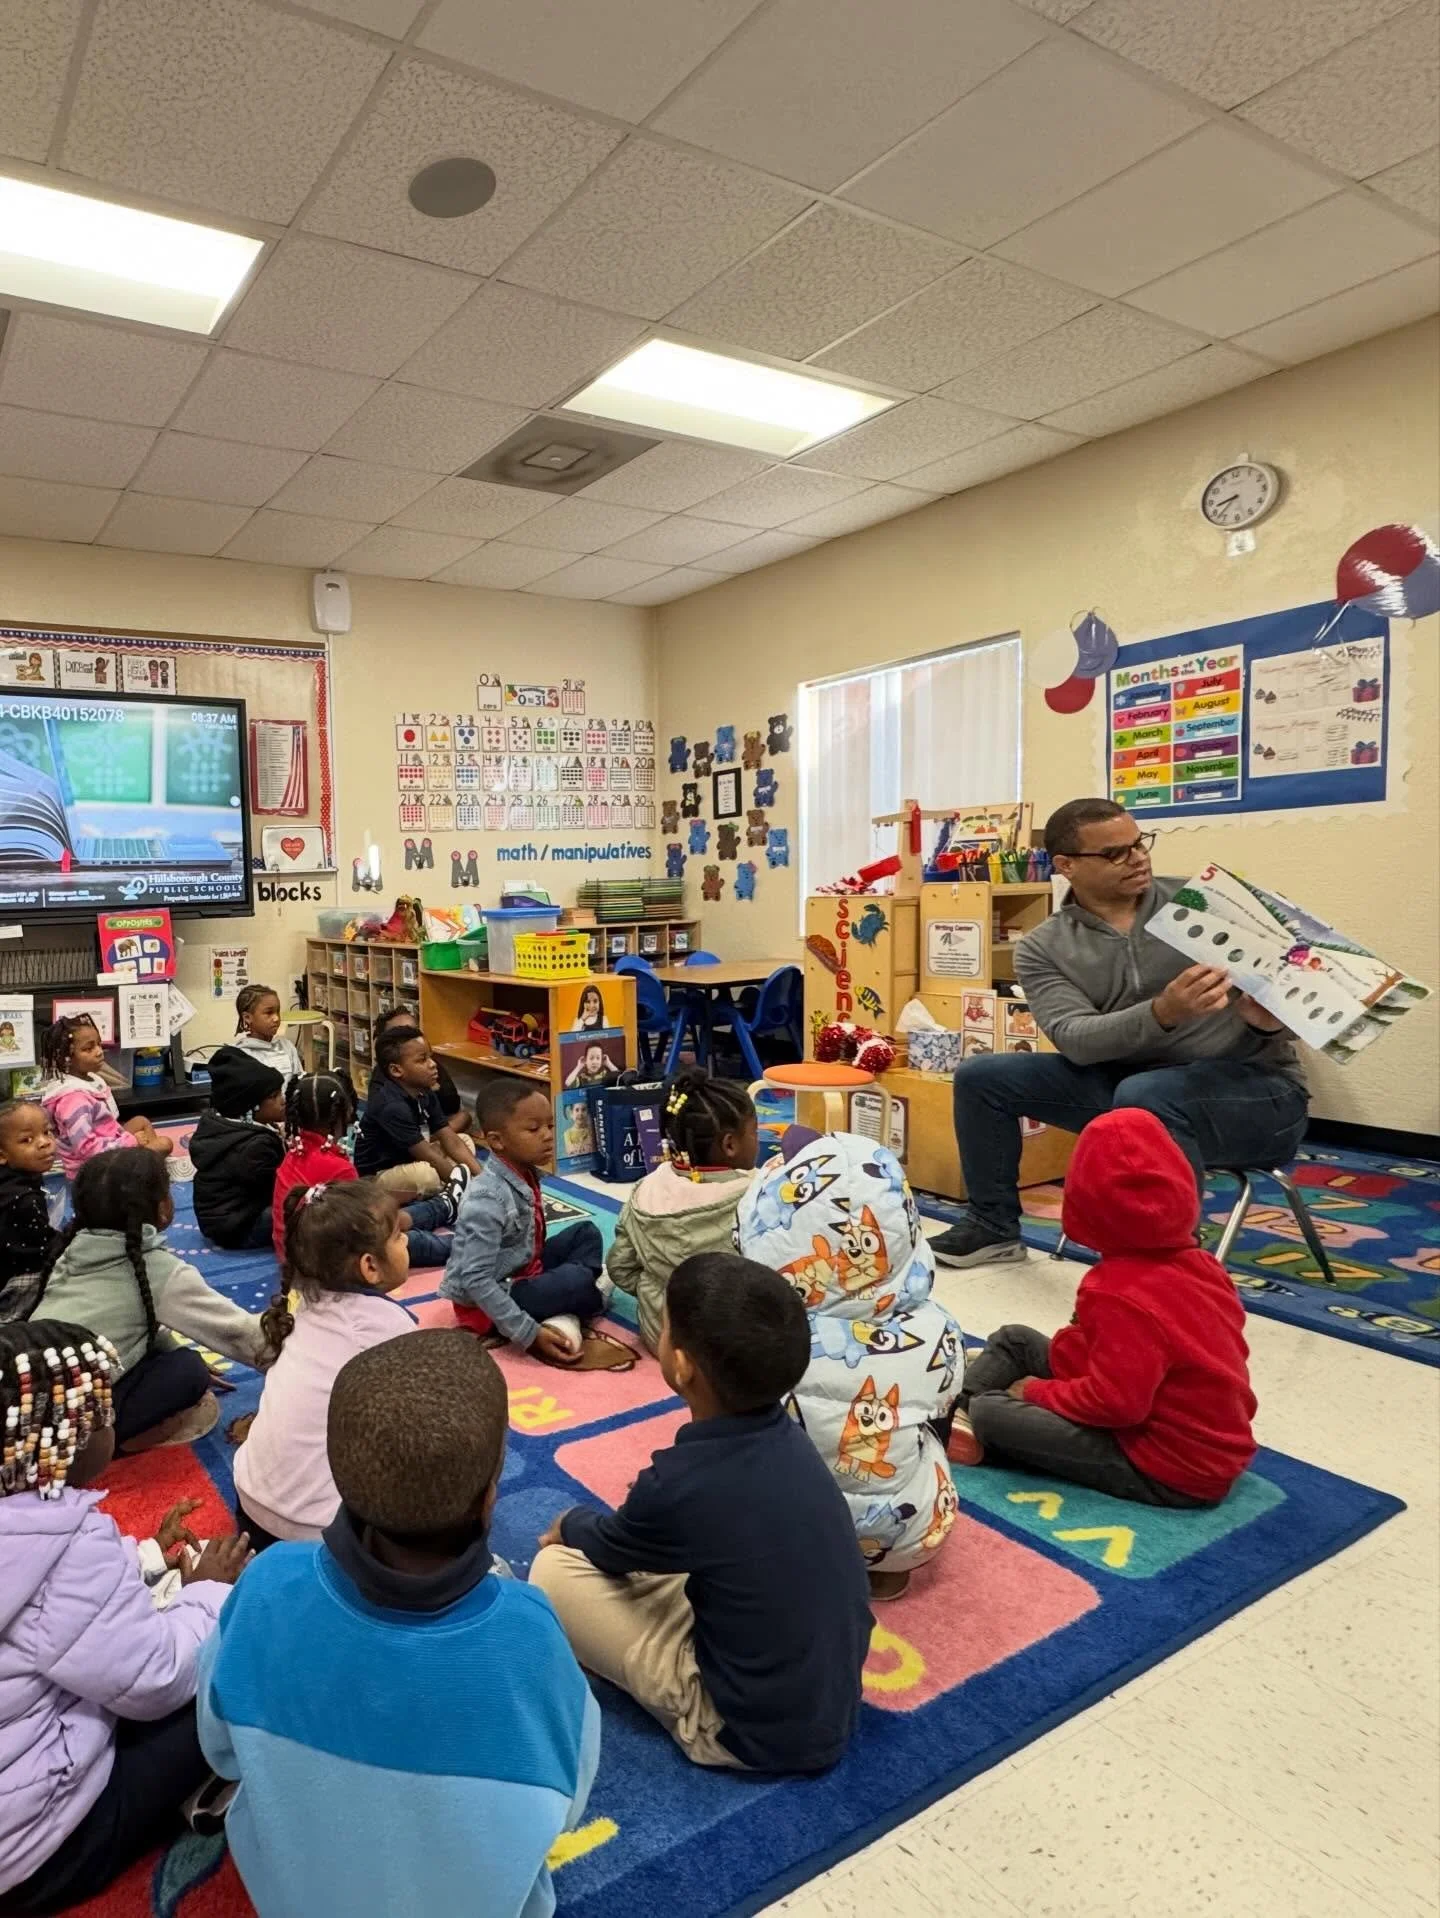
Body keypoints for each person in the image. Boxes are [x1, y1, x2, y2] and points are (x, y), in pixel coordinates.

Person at [197, 1330, 600, 1918]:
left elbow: (220, 1753)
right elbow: (569, 1803)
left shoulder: (265, 1584)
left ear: (340, 1477)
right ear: (490, 1497)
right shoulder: (530, 1631)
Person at [932, 797, 1310, 1268]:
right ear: (1066, 866)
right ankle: (992, 1227)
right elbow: (1077, 1039)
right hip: (1133, 1088)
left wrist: (1269, 1020)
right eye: (1115, 853)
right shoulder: (1043, 947)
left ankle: (1168, 1265)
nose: (1137, 858)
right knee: (982, 1077)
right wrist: (1163, 1012)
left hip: (1256, 1091)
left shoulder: (1205, 905)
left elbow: (1301, 997)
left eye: (1140, 843)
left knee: (1148, 1094)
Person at [532, 1253, 872, 1772]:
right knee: (700, 1552)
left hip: (743, 1732)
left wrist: (568, 1524)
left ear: (682, 1365)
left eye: (665, 1325)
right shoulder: (791, 1439)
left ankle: (685, 1707)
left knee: (553, 1570)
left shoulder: (681, 1482)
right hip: (827, 1702)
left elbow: (607, 1547)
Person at [0, 1320, 249, 1914]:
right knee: (240, 1663)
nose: (113, 1426)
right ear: (68, 1439)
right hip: (44, 1848)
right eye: (104, 1414)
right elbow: (158, 1679)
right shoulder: (68, 1547)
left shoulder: (28, 1529)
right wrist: (207, 1592)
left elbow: (50, 1616)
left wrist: (146, 1559)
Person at [951, 1108, 1257, 1506]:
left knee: (992, 1411)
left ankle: (970, 1421)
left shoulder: (1119, 1293)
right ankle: (957, 1414)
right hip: (1202, 1442)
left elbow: (1116, 1404)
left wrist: (1037, 1391)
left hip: (1168, 1466)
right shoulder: (1203, 1264)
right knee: (1016, 1340)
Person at [737, 1132, 963, 1600]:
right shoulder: (935, 1328)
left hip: (778, 1532)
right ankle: (885, 1571)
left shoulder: (757, 1333)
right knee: (924, 1420)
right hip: (906, 1534)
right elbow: (943, 1401)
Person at [28, 1149, 267, 1453]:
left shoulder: (70, 1248)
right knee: (189, 1369)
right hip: (60, 1431)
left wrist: (169, 1347)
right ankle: (111, 1446)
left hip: (19, 1400)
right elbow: (241, 1335)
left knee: (163, 1355)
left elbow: (137, 1317)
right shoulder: (159, 1271)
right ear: (163, 1207)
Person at [233, 1182, 419, 1553]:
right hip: (314, 1533)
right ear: (369, 1266)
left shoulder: (303, 1301)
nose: (407, 1240)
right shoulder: (383, 1326)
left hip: (250, 1505)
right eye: (398, 1236)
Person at [441, 1080, 633, 1370]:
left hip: (525, 1268)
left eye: (550, 1126)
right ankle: (586, 1300)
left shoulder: (525, 1173)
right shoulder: (487, 1198)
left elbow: (529, 1243)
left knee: (586, 1232)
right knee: (575, 1281)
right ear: (497, 1141)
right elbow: (475, 1280)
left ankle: (575, 1297)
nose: (547, 1136)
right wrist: (529, 1334)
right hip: (490, 1301)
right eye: (533, 1129)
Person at [607, 1072, 757, 1354]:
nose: (757, 1139)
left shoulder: (645, 1190)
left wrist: (653, 1291)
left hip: (661, 1337)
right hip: (728, 1346)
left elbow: (620, 1266)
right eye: (755, 1133)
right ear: (730, 1144)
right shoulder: (755, 1197)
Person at [275, 1071, 465, 1271]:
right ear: (345, 1112)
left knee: (391, 1216)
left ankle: (444, 1206)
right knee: (408, 1239)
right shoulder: (338, 1167)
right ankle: (463, 1237)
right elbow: (365, 1226)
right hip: (327, 1263)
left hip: (294, 1253)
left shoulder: (293, 1153)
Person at [38, 1016, 172, 1179]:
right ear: (65, 1058)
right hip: (92, 1170)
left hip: (107, 1142)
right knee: (165, 1144)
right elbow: (87, 1149)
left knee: (140, 1121)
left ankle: (147, 1168)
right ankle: (145, 1172)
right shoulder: (74, 1101)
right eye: (88, 1049)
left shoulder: (88, 1079)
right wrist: (131, 1142)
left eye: (99, 1044)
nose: (99, 1052)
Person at [354, 1026, 478, 1197]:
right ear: (396, 1070)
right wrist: (470, 1189)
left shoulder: (423, 1090)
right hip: (378, 1176)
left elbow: (450, 1139)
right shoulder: (392, 1106)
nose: (433, 1064)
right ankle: (453, 1189)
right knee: (427, 1175)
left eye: (430, 1057)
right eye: (422, 1060)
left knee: (464, 1140)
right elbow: (429, 1156)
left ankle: (449, 1186)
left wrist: (482, 1179)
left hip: (409, 1159)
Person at [188, 1048, 286, 1251]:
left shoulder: (223, 1125)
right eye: (275, 1096)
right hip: (240, 1228)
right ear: (251, 1107)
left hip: (218, 1221)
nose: (283, 1100)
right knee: (306, 1210)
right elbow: (278, 1189)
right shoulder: (256, 1146)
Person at [374, 1004, 475, 1138]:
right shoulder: (384, 1085)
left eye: (414, 1031)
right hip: (402, 1132)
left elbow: (451, 1105)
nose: (411, 1038)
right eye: (401, 1034)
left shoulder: (429, 1068)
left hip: (427, 1125)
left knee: (463, 1118)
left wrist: (434, 1090)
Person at [0, 1102, 60, 1322]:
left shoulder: (17, 1182)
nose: (44, 1142)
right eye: (27, 1140)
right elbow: (40, 1252)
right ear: (2, 1154)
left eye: (47, 1132)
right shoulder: (23, 1200)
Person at [232, 984, 303, 1084]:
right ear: (247, 1017)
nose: (276, 1018)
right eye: (269, 1013)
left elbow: (300, 1080)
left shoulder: (286, 1046)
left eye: (277, 1011)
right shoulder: (242, 1056)